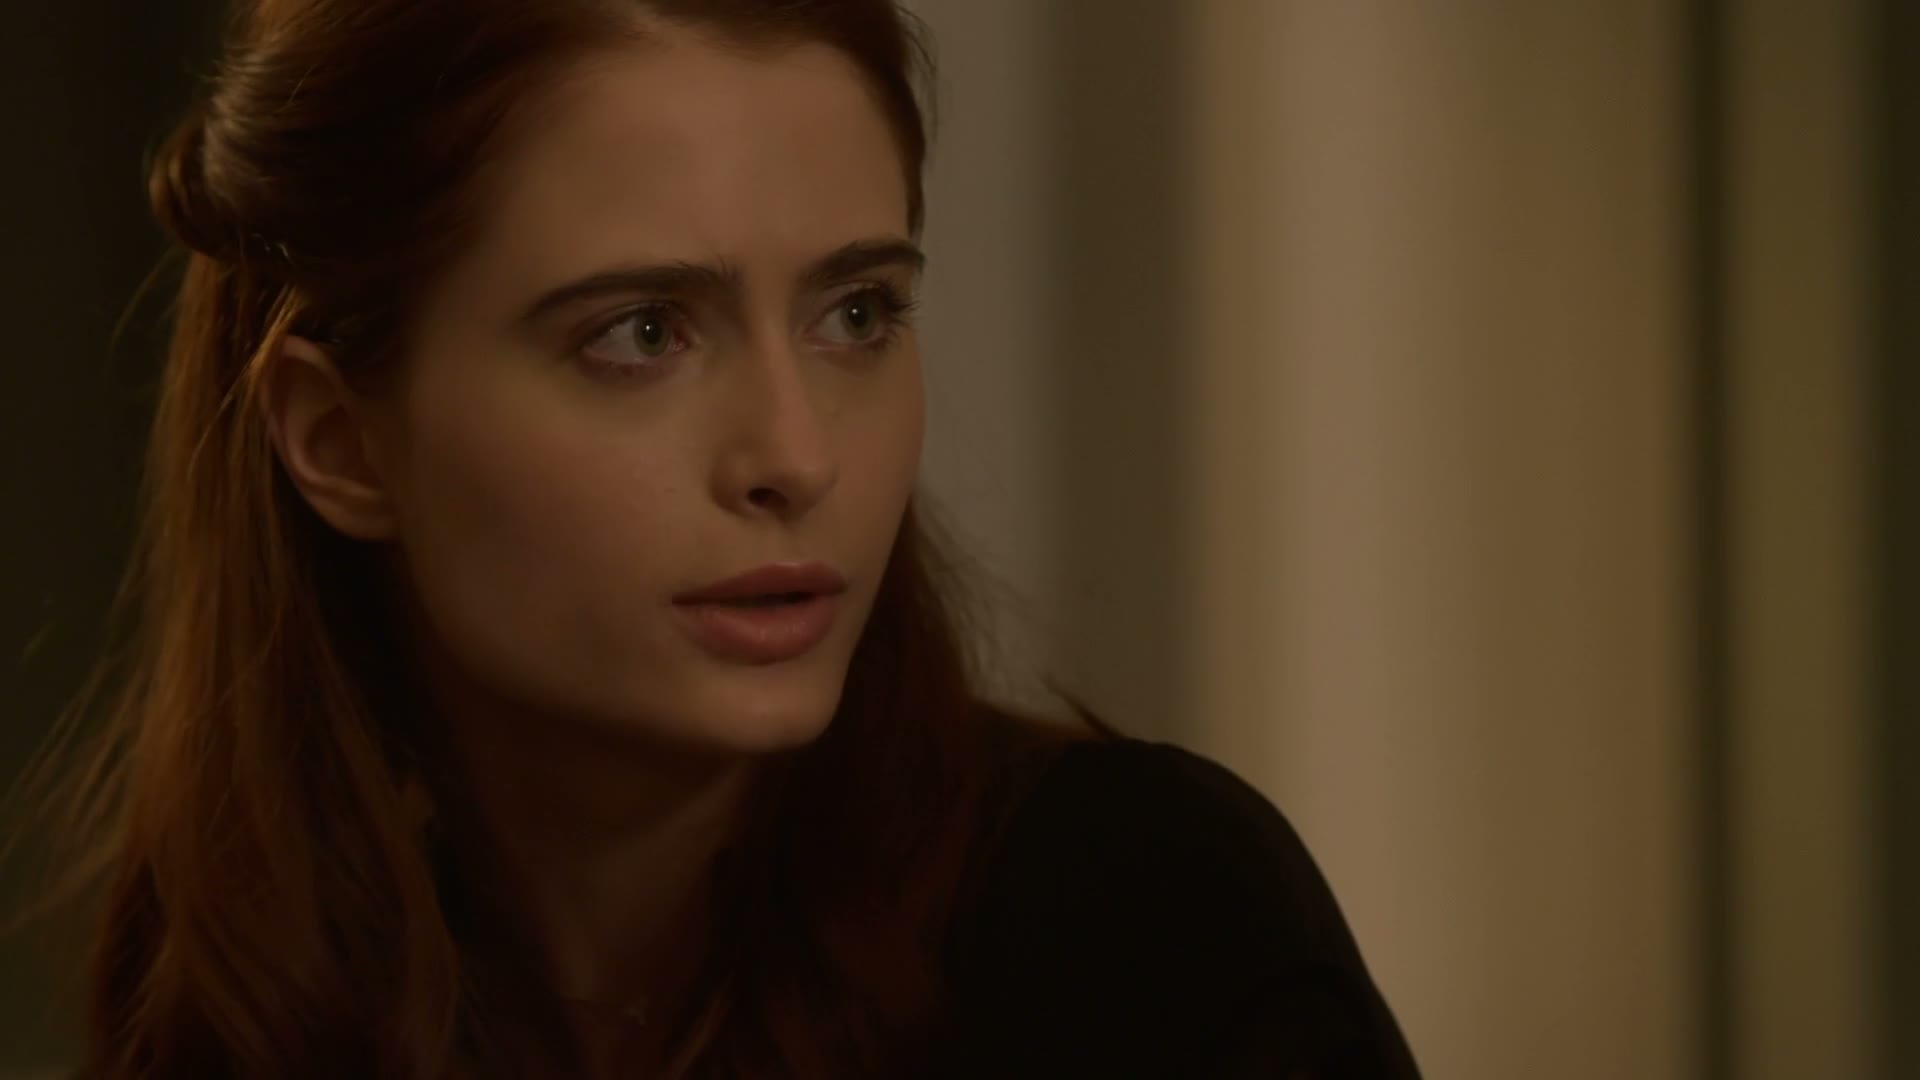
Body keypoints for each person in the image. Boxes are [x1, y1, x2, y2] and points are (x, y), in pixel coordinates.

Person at [30, 0, 1420, 1075]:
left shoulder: (1149, 936)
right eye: (642, 335)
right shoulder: (241, 1008)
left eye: (856, 315)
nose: (796, 456)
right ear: (339, 442)